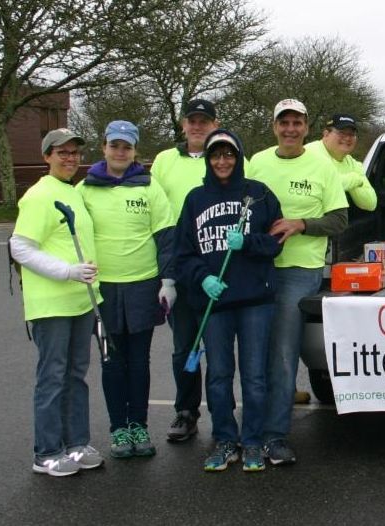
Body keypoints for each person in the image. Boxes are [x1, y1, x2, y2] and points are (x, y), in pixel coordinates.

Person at [174, 129, 283, 471]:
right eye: (216, 155)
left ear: (238, 157)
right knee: (219, 375)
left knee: (254, 376)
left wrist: (248, 242)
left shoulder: (259, 194)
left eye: (229, 155)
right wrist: (202, 278)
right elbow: (182, 253)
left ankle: (252, 442)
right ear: (208, 159)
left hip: (254, 301)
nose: (223, 161)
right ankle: (224, 439)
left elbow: (276, 242)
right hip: (214, 303)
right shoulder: (195, 199)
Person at [250, 99, 348, 465]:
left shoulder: (322, 167)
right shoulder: (257, 162)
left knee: (282, 353)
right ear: (274, 126)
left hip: (299, 271)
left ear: (307, 128)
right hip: (255, 269)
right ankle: (249, 431)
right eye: (284, 122)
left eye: (297, 123)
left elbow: (339, 220)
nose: (290, 129)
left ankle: (275, 436)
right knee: (253, 352)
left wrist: (301, 224)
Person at [9, 129, 104, 476]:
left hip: (81, 302)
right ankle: (47, 453)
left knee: (76, 376)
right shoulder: (39, 195)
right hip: (52, 304)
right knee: (53, 377)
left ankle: (76, 445)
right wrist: (66, 271)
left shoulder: (72, 192)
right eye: (62, 152)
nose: (70, 158)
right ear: (47, 156)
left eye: (74, 152)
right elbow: (20, 247)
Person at [77, 121, 174, 459]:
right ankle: (119, 428)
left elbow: (165, 237)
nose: (120, 152)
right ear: (103, 147)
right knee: (112, 361)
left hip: (142, 286)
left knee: (139, 360)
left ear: (135, 151)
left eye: (127, 147)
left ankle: (139, 425)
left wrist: (168, 281)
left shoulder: (149, 187)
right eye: (114, 145)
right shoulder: (85, 189)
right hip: (103, 290)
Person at [151, 99, 219, 442]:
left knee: (219, 348)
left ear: (215, 125)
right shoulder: (164, 160)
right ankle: (186, 412)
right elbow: (154, 212)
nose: (197, 126)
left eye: (204, 121)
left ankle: (223, 416)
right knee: (184, 348)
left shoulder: (226, 157)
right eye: (192, 120)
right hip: (180, 267)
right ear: (183, 124)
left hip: (217, 269)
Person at [305, 113, 377, 211]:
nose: (347, 138)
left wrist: (341, 181)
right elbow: (316, 188)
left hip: (336, 218)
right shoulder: (309, 152)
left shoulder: (352, 163)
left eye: (352, 134)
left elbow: (370, 204)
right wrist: (354, 179)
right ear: (326, 134)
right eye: (341, 133)